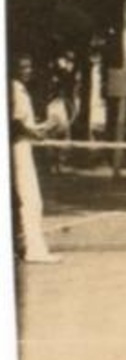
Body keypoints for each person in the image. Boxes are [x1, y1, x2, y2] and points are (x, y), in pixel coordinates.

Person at [11, 56, 61, 263]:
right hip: (18, 148)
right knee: (31, 200)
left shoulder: (18, 88)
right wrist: (37, 133)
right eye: (23, 66)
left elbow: (22, 124)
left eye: (30, 66)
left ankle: (19, 246)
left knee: (18, 200)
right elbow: (15, 124)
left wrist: (45, 127)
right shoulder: (14, 89)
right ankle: (35, 251)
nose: (28, 70)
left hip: (20, 145)